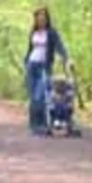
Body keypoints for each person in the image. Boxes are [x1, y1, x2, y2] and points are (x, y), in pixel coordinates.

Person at [23, 7, 70, 135]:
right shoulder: (33, 32)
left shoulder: (51, 32)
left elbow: (60, 47)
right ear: (36, 19)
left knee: (41, 96)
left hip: (44, 66)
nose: (41, 19)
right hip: (32, 66)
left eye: (43, 17)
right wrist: (25, 63)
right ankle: (33, 126)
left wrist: (67, 59)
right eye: (38, 17)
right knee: (33, 97)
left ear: (47, 19)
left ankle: (42, 125)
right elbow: (30, 49)